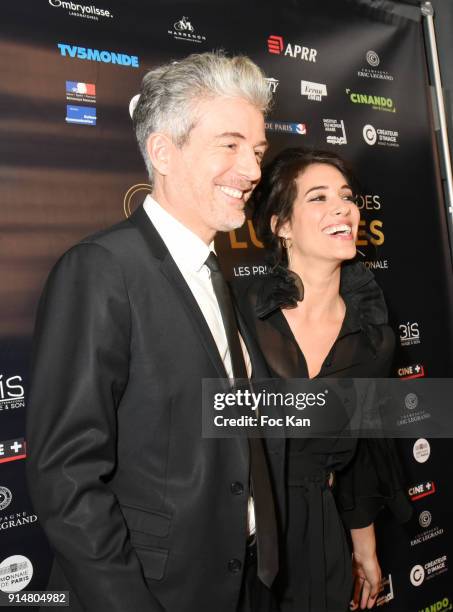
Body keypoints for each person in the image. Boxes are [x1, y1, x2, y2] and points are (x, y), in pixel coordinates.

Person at [26, 52, 281, 612]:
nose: (254, 171)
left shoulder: (219, 276)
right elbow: (66, 478)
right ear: (163, 151)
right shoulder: (100, 269)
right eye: (231, 145)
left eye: (258, 151)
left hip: (242, 582)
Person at [236, 148, 412, 612]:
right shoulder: (239, 312)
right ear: (281, 226)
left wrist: (364, 548)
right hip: (235, 536)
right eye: (318, 198)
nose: (343, 208)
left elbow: (365, 450)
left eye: (347, 197)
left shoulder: (373, 337)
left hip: (317, 537)